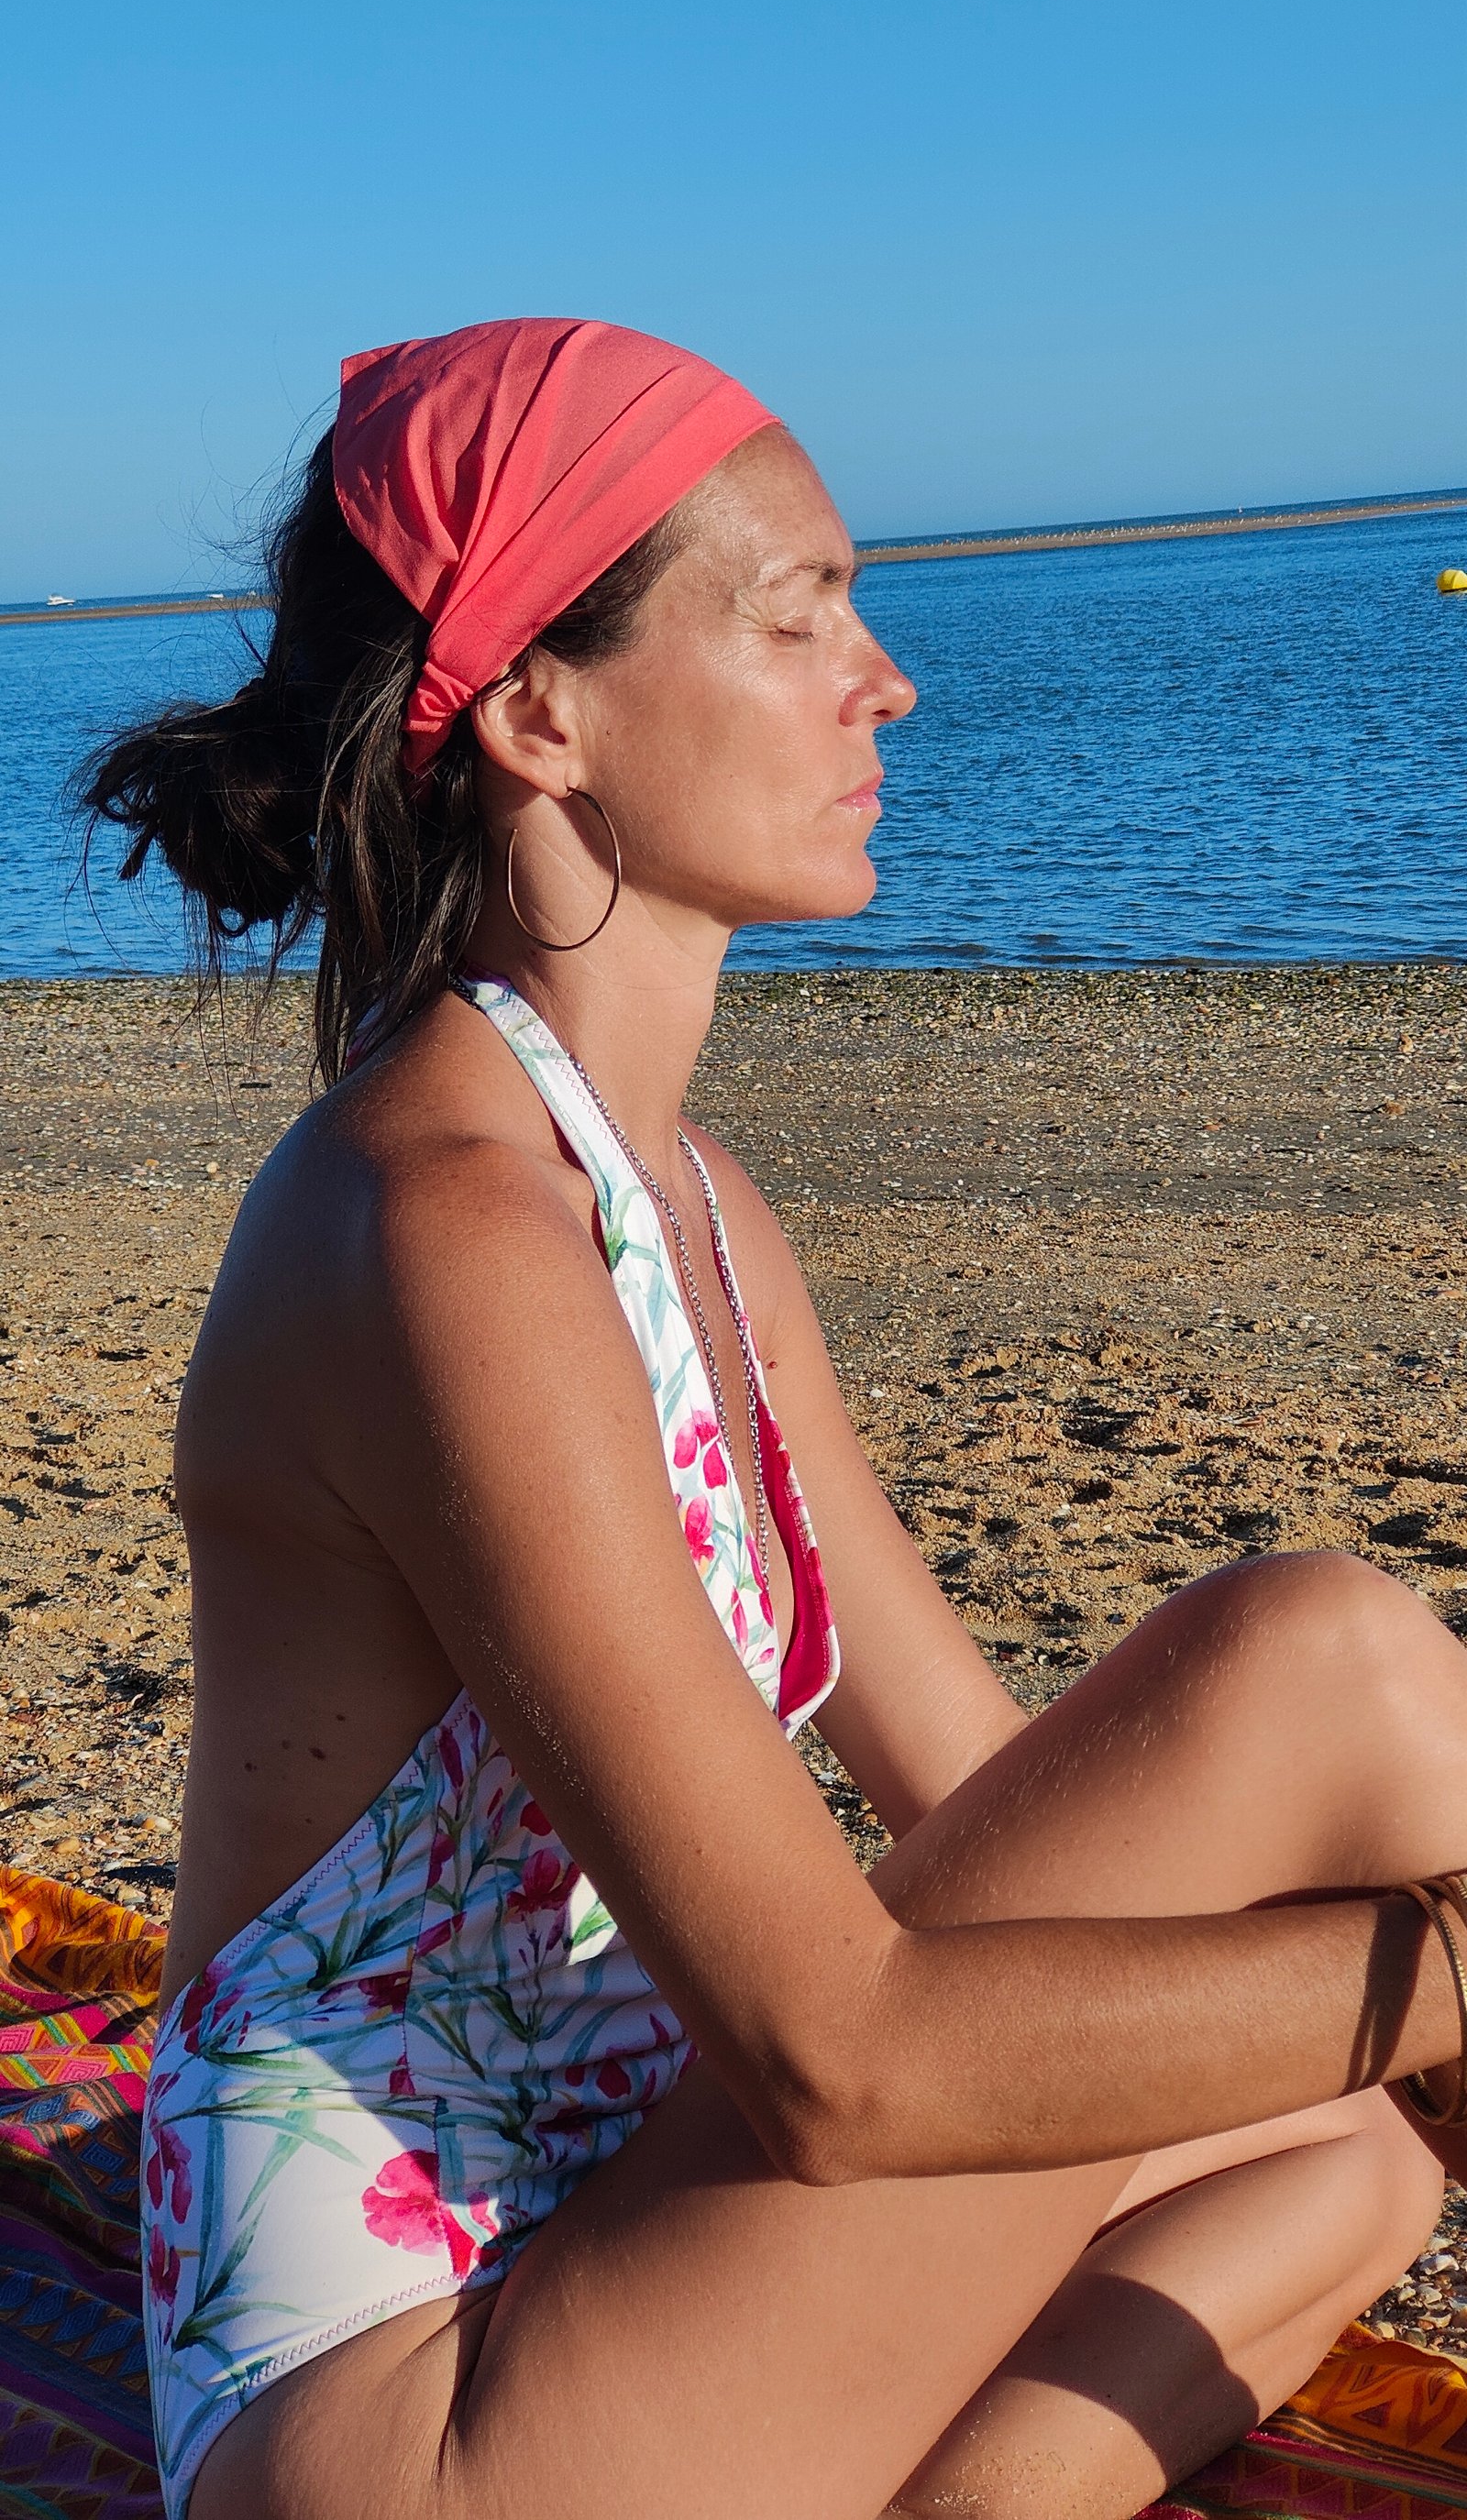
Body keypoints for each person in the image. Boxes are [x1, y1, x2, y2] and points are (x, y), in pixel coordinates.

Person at [84, 317, 1467, 2520]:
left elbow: (998, 1803)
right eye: (798, 609)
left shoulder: (684, 1204)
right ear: (539, 711)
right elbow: (836, 2062)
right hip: (405, 2403)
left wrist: (1385, 1990)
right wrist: (1434, 1967)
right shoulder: (436, 1227)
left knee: (1339, 2156)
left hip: (620, 2229)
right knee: (1318, 1655)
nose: (885, 678)